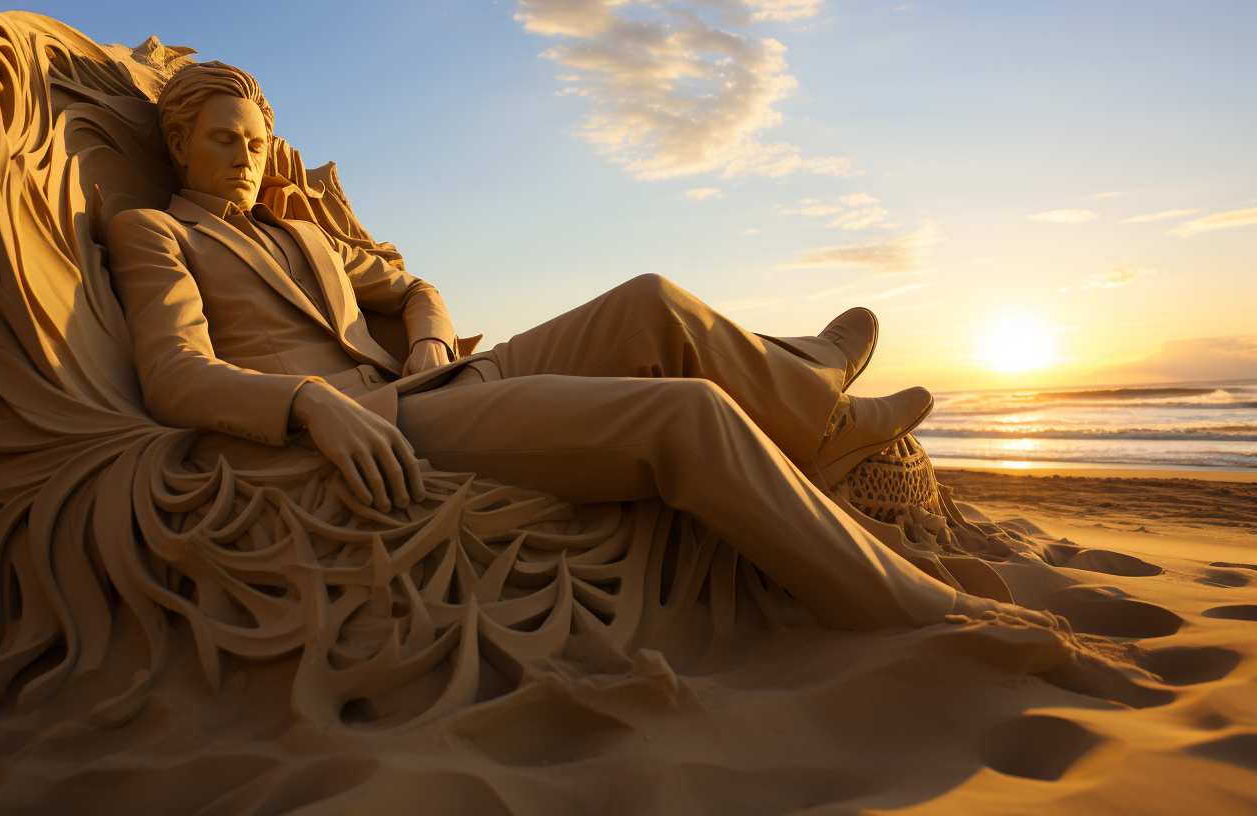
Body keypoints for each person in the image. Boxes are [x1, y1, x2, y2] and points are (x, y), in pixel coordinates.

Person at [106, 61, 1038, 631]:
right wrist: (308, 404)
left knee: (650, 300)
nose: (246, 157)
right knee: (688, 413)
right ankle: (909, 608)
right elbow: (175, 373)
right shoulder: (158, 232)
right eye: (225, 140)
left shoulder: (304, 236)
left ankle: (819, 412)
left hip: (441, 381)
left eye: (259, 142)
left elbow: (417, 288)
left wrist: (429, 344)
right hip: (378, 425)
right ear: (181, 143)